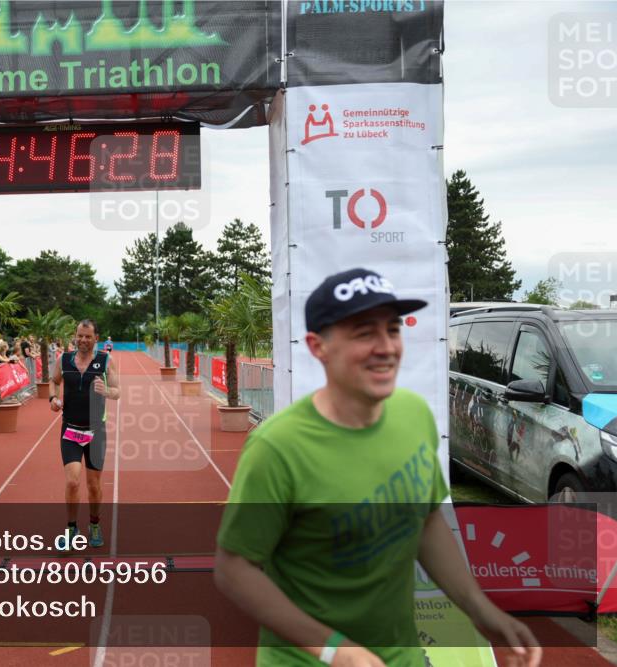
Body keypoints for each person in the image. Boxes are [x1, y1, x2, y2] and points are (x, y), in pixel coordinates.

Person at [214, 268, 541, 667]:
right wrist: (334, 649)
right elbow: (235, 569)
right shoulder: (277, 447)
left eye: (392, 329)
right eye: (364, 333)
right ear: (318, 347)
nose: (385, 347)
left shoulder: (415, 415)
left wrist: (478, 607)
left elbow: (426, 520)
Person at [49, 319, 120, 549]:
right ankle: (71, 528)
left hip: (95, 431)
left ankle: (94, 523)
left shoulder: (106, 361)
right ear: (75, 336)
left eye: (88, 336)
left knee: (94, 486)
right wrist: (53, 398)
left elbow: (117, 392)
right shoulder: (64, 359)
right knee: (72, 482)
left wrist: (106, 390)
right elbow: (53, 381)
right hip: (70, 428)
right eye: (80, 335)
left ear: (96, 338)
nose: (83, 340)